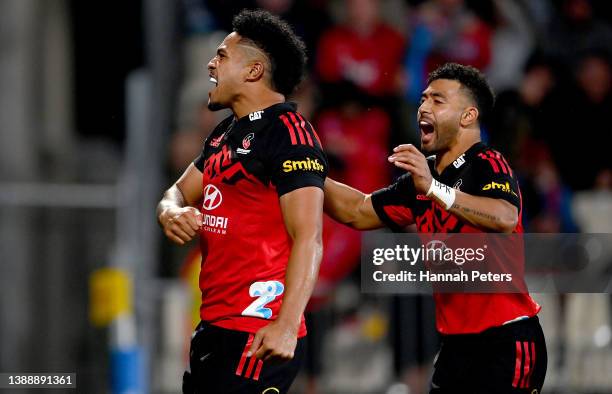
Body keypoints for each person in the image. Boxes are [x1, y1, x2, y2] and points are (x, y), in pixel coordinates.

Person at [324, 63, 547, 393]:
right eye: (423, 99)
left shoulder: (486, 163)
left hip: (506, 341)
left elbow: (504, 217)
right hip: (455, 347)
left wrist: (433, 189)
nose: (424, 107)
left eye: (438, 100)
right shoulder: (421, 178)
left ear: (468, 116)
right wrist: (304, 171)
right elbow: (357, 211)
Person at [157, 10, 327, 394]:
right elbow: (178, 191)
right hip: (213, 331)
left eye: (221, 55)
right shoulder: (224, 134)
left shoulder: (289, 133)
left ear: (253, 71)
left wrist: (286, 325)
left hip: (256, 336)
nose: (210, 64)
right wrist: (170, 211)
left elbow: (309, 237)